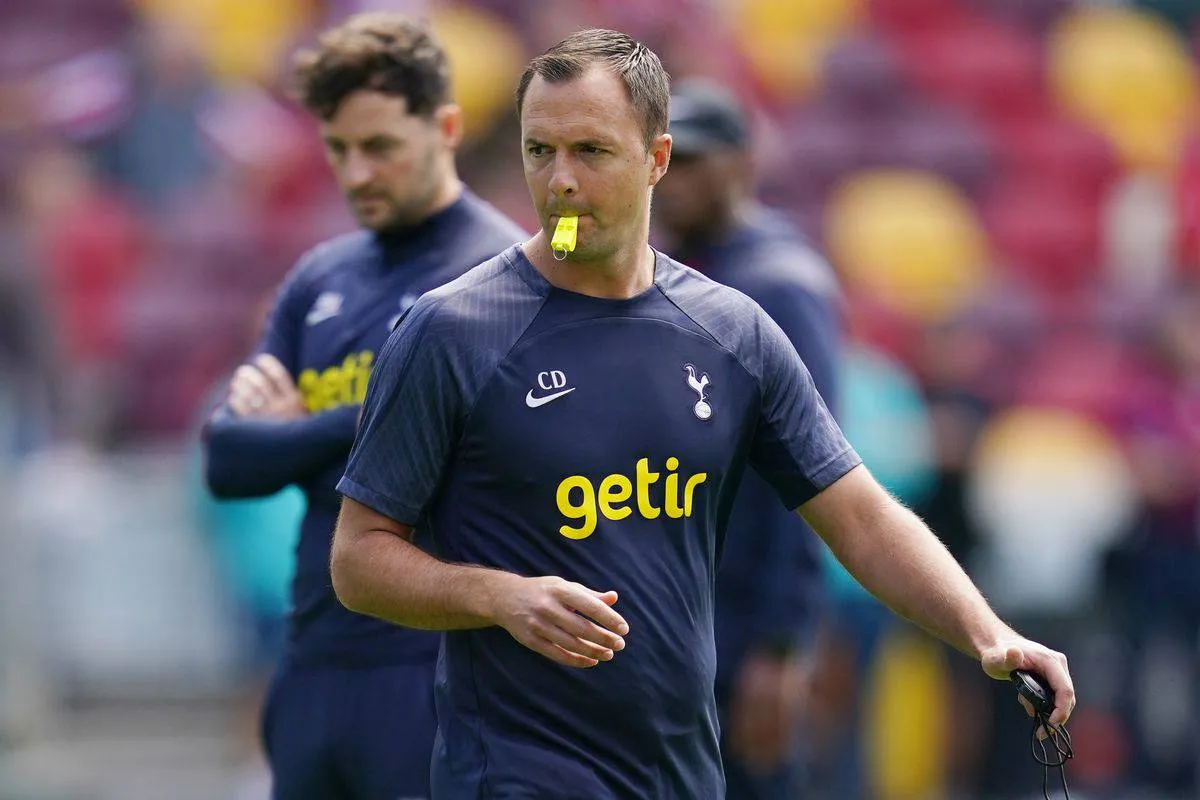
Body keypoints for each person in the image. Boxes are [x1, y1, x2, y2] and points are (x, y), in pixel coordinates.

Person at [330, 28, 1076, 800]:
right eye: (539, 151)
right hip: (518, 770)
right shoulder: (452, 331)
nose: (560, 181)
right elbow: (359, 560)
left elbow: (859, 516)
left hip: (681, 771)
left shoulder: (732, 331)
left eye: (591, 152)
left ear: (657, 159)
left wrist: (988, 634)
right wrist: (499, 596)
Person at [200, 12, 524, 800]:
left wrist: (297, 433)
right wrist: (379, 421)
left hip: (432, 665)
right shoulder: (321, 278)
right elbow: (228, 460)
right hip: (313, 659)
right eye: (338, 149)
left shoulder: (497, 274)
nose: (357, 173)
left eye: (380, 146)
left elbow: (467, 443)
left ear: (446, 128)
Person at [653, 78, 842, 799]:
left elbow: (812, 472)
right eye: (665, 160)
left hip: (741, 624)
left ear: (741, 164)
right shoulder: (686, 271)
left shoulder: (778, 284)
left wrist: (783, 642)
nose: (672, 181)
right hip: (686, 614)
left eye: (692, 161)